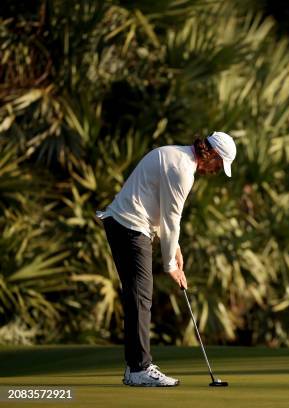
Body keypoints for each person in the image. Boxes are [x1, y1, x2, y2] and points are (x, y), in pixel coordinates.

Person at [96, 131, 236, 387]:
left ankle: (134, 368)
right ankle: (139, 369)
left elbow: (160, 211)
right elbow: (172, 220)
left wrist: (176, 249)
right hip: (130, 226)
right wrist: (170, 265)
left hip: (125, 224)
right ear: (213, 155)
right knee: (141, 297)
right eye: (219, 164)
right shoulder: (182, 170)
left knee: (137, 296)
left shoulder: (176, 154)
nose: (217, 170)